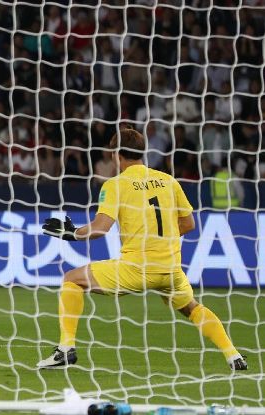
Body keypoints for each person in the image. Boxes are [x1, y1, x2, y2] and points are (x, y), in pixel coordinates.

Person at [38, 127, 247, 371]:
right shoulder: (168, 180)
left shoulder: (116, 184)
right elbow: (188, 224)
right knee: (191, 307)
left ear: (117, 154)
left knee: (72, 280)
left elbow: (100, 228)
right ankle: (233, 355)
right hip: (170, 269)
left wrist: (72, 233)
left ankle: (65, 349)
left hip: (136, 269)